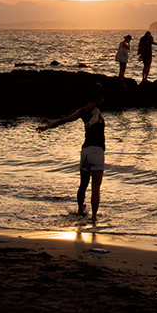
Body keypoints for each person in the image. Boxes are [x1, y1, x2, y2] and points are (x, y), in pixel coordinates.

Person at [37, 84, 106, 226]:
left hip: (85, 151)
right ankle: (93, 218)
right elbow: (96, 114)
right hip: (97, 151)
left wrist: (47, 127)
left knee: (83, 185)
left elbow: (64, 120)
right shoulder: (97, 112)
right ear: (99, 99)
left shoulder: (83, 111)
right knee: (96, 188)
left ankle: (81, 210)